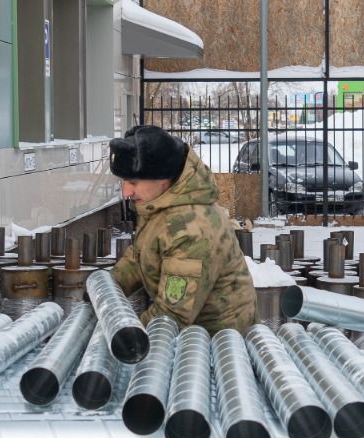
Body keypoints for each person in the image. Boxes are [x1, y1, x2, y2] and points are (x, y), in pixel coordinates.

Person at [109, 124, 257, 332]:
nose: (125, 192)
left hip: (219, 345)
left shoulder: (191, 229)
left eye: (133, 182)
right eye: (123, 182)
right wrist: (108, 286)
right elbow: (140, 255)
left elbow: (172, 316)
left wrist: (125, 338)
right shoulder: (160, 203)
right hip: (193, 336)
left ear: (163, 179)